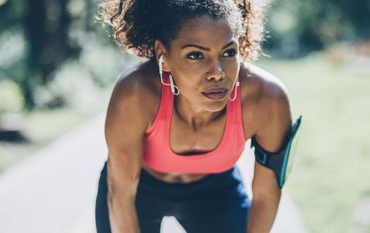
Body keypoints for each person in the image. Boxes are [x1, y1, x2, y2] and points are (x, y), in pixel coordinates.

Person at [95, 0, 302, 232]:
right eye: (196, 55)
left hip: (215, 193)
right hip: (138, 191)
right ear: (163, 54)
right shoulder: (135, 94)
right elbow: (121, 196)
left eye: (228, 52)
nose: (217, 73)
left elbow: (266, 195)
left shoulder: (267, 99)